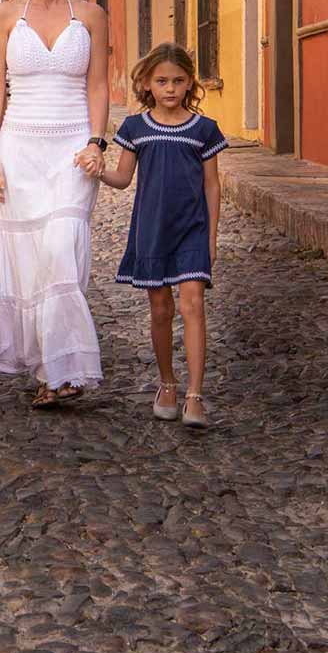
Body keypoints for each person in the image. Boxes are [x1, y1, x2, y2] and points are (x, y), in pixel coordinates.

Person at [0, 0, 110, 409]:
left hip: (73, 144)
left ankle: (64, 364)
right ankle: (50, 370)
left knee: (61, 246)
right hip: (19, 145)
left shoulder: (92, 15)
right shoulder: (6, 15)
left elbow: (98, 85)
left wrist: (97, 142)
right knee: (29, 259)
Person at [94, 43, 224, 427]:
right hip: (152, 230)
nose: (170, 88)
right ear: (147, 84)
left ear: (190, 84)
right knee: (161, 309)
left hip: (193, 231)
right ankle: (167, 383)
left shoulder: (204, 130)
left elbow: (212, 186)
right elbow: (121, 179)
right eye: (162, 81)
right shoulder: (136, 128)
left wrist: (212, 238)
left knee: (193, 305)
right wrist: (97, 169)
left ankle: (195, 395)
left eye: (178, 81)